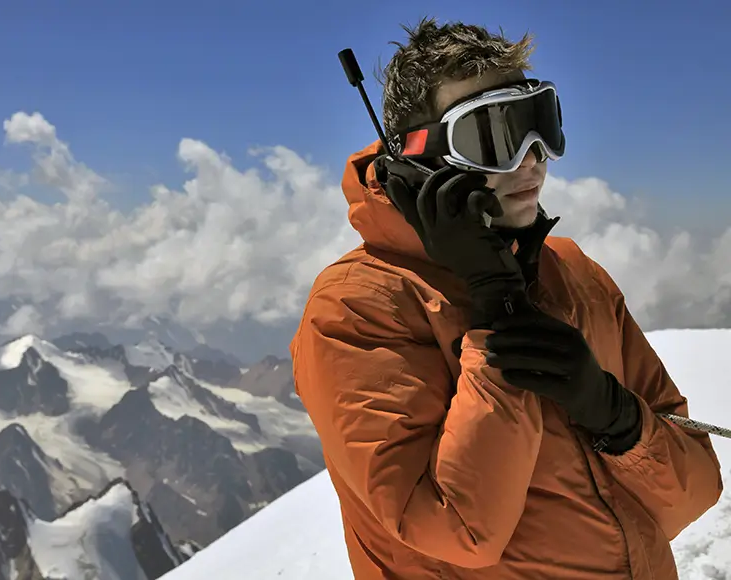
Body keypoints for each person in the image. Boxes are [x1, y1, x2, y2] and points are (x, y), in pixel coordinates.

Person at [289, 18, 723, 580]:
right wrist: (497, 321)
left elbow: (695, 493)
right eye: (491, 133)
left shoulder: (569, 271)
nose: (531, 157)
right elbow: (457, 531)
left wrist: (617, 419)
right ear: (421, 157)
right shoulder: (357, 306)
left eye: (538, 122)